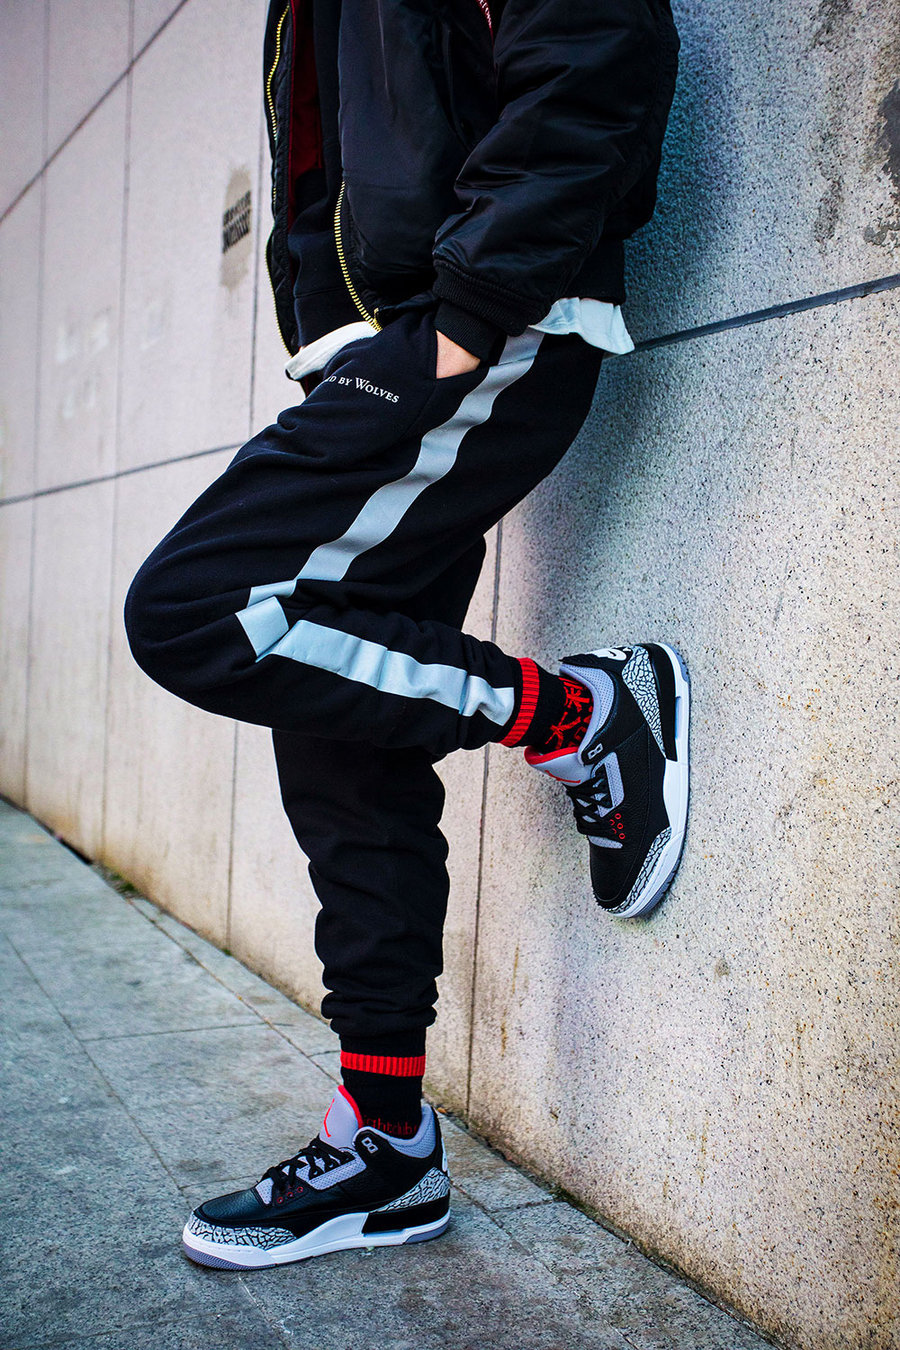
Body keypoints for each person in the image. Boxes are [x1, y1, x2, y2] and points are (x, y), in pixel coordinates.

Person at [124, 0, 684, 1270]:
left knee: (194, 611)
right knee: (340, 746)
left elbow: (592, 46)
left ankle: (581, 716)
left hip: (477, 320)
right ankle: (384, 1145)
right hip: (383, 340)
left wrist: (471, 312)